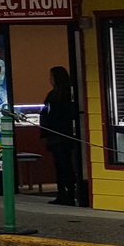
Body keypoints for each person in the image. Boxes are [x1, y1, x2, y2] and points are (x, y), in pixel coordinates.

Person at [43, 65, 85, 206]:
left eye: (51, 76)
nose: (49, 79)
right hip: (63, 134)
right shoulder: (66, 93)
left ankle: (65, 193)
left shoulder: (58, 95)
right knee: (64, 165)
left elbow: (50, 114)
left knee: (62, 165)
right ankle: (67, 193)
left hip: (59, 135)